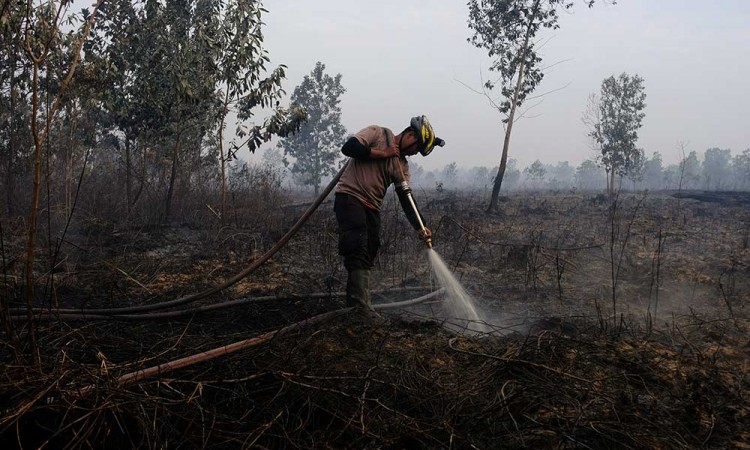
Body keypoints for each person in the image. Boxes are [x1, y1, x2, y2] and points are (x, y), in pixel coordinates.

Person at [334, 115, 445, 312]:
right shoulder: (377, 133)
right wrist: (383, 153)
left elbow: (406, 198)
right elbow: (349, 148)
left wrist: (421, 226)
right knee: (357, 244)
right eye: (415, 147)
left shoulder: (401, 166)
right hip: (350, 197)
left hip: (372, 207)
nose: (413, 153)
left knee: (370, 248)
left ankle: (357, 305)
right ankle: (360, 309)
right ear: (410, 134)